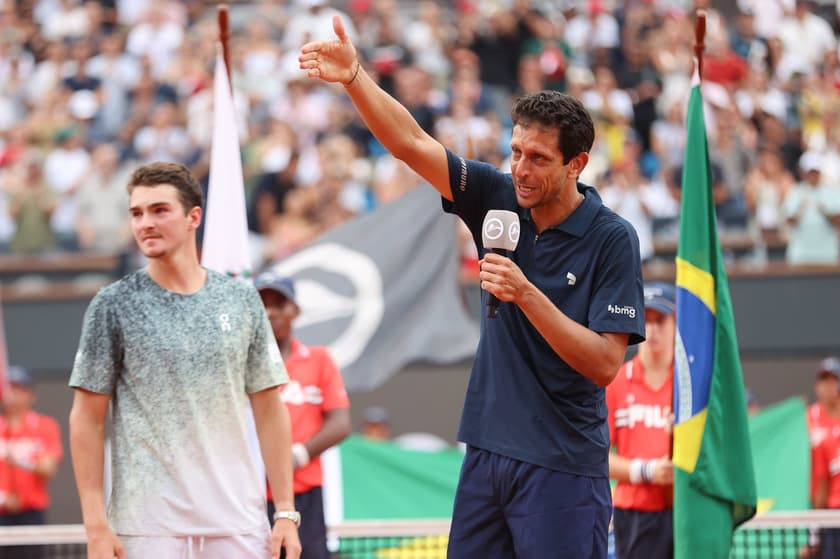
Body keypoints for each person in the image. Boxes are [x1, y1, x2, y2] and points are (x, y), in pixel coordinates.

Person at [299, 17, 645, 558]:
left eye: (539, 159)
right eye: (515, 152)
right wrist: (354, 78)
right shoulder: (495, 194)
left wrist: (526, 293)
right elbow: (411, 143)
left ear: (577, 163)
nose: (521, 170)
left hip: (564, 467)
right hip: (485, 453)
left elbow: (604, 364)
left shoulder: (612, 238)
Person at [68, 162, 301, 559]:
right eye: (137, 213)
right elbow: (86, 419)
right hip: (146, 529)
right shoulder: (112, 304)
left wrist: (285, 511)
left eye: (159, 210)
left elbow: (269, 409)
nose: (145, 223)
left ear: (194, 217)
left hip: (238, 523)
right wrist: (95, 526)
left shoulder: (242, 300)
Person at [255, 272, 351, 559]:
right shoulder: (242, 365)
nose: (271, 312)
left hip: (305, 494)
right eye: (263, 304)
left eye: (279, 303)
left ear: (294, 310)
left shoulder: (319, 360)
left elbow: (340, 423)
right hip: (254, 495)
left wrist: (297, 456)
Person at [606, 283, 676, 559]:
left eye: (660, 320)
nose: (653, 330)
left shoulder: (690, 387)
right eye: (646, 320)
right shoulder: (616, 381)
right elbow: (597, 457)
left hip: (684, 509)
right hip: (634, 513)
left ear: (675, 324)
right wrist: (647, 471)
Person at [0, 366, 63, 558]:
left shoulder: (45, 426)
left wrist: (20, 459)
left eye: (20, 389)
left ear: (31, 395)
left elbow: (48, 469)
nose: (14, 395)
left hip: (32, 516)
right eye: (10, 389)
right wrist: (3, 498)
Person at [807, 357, 840, 505]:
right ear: (816, 386)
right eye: (823, 380)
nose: (827, 386)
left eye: (832, 380)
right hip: (816, 503)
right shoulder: (808, 417)